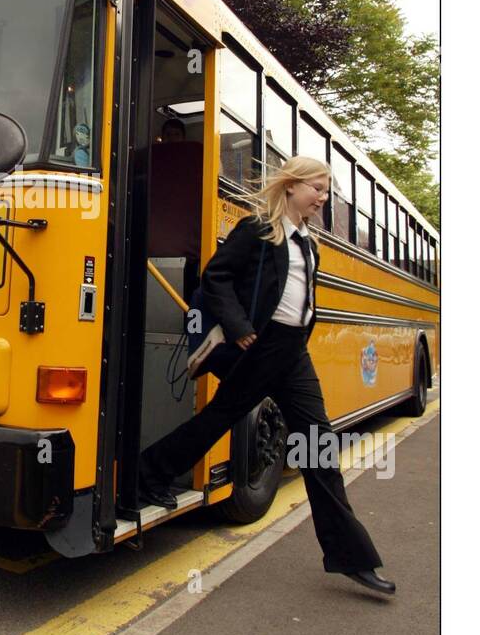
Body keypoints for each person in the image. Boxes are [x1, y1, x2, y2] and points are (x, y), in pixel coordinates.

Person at [138, 156, 395, 596]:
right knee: (219, 418)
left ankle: (352, 557)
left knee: (318, 444)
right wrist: (239, 328)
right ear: (292, 186)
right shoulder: (258, 230)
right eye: (318, 188)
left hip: (293, 353)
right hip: (260, 347)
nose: (323, 198)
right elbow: (215, 276)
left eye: (326, 191)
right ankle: (149, 472)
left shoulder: (307, 243)